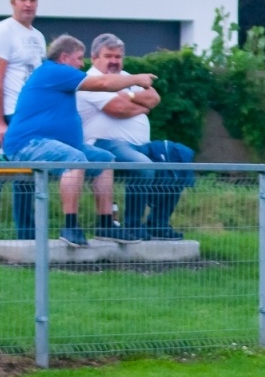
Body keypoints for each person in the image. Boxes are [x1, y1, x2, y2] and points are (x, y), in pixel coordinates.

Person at [2, 35, 152, 246]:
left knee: (104, 159)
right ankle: (70, 226)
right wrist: (136, 79)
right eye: (79, 58)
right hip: (27, 144)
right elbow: (103, 82)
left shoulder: (60, 75)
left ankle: (106, 225)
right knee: (75, 158)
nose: (82, 64)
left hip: (53, 144)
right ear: (65, 57)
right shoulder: (54, 70)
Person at [77, 33, 194, 240]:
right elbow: (117, 108)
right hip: (104, 145)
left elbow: (154, 97)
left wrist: (129, 95)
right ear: (95, 58)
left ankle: (158, 224)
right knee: (143, 165)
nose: (114, 61)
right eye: (108, 56)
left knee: (177, 157)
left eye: (118, 56)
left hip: (140, 144)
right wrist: (141, 106)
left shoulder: (127, 77)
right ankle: (132, 226)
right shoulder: (91, 80)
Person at [0, 0, 44, 238]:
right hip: (10, 114)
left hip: (32, 116)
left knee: (27, 175)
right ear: (12, 2)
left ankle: (26, 236)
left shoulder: (37, 36)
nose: (28, 4)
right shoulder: (3, 31)